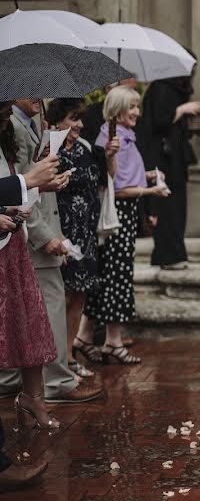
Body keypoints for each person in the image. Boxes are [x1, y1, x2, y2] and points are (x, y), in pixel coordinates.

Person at [0, 98, 103, 405]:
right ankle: (55, 380)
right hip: (26, 228)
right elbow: (15, 179)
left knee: (21, 308)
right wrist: (45, 234)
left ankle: (10, 378)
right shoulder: (13, 127)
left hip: (24, 224)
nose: (37, 95)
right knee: (49, 305)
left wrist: (42, 179)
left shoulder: (30, 125)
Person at [80, 87, 169, 365]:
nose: (136, 112)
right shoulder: (111, 138)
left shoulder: (126, 137)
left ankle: (84, 338)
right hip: (117, 217)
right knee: (117, 277)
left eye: (137, 106)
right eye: (131, 106)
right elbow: (116, 188)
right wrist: (150, 192)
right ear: (117, 108)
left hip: (125, 217)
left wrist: (150, 174)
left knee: (112, 276)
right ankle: (112, 342)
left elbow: (129, 176)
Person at [0, 100, 61, 490]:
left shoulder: (4, 141)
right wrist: (28, 180)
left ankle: (30, 402)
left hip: (9, 242)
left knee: (26, 325)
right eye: (1, 103)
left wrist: (25, 193)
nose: (6, 110)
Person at [46, 99, 119, 381]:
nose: (79, 125)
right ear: (57, 121)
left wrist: (110, 156)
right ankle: (56, 362)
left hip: (86, 235)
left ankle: (69, 357)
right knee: (61, 296)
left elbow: (106, 180)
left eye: (79, 119)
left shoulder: (86, 148)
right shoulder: (48, 149)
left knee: (79, 295)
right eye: (73, 119)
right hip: (62, 234)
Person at [139, 73, 200, 270]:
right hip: (161, 157)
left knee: (177, 206)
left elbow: (177, 129)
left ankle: (176, 254)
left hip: (175, 156)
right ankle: (168, 257)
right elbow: (158, 122)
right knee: (166, 206)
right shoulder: (160, 87)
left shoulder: (177, 90)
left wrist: (198, 126)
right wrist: (182, 109)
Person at [80, 78, 139, 145]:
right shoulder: (89, 114)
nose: (131, 95)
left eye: (134, 90)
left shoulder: (135, 119)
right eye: (125, 90)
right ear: (109, 90)